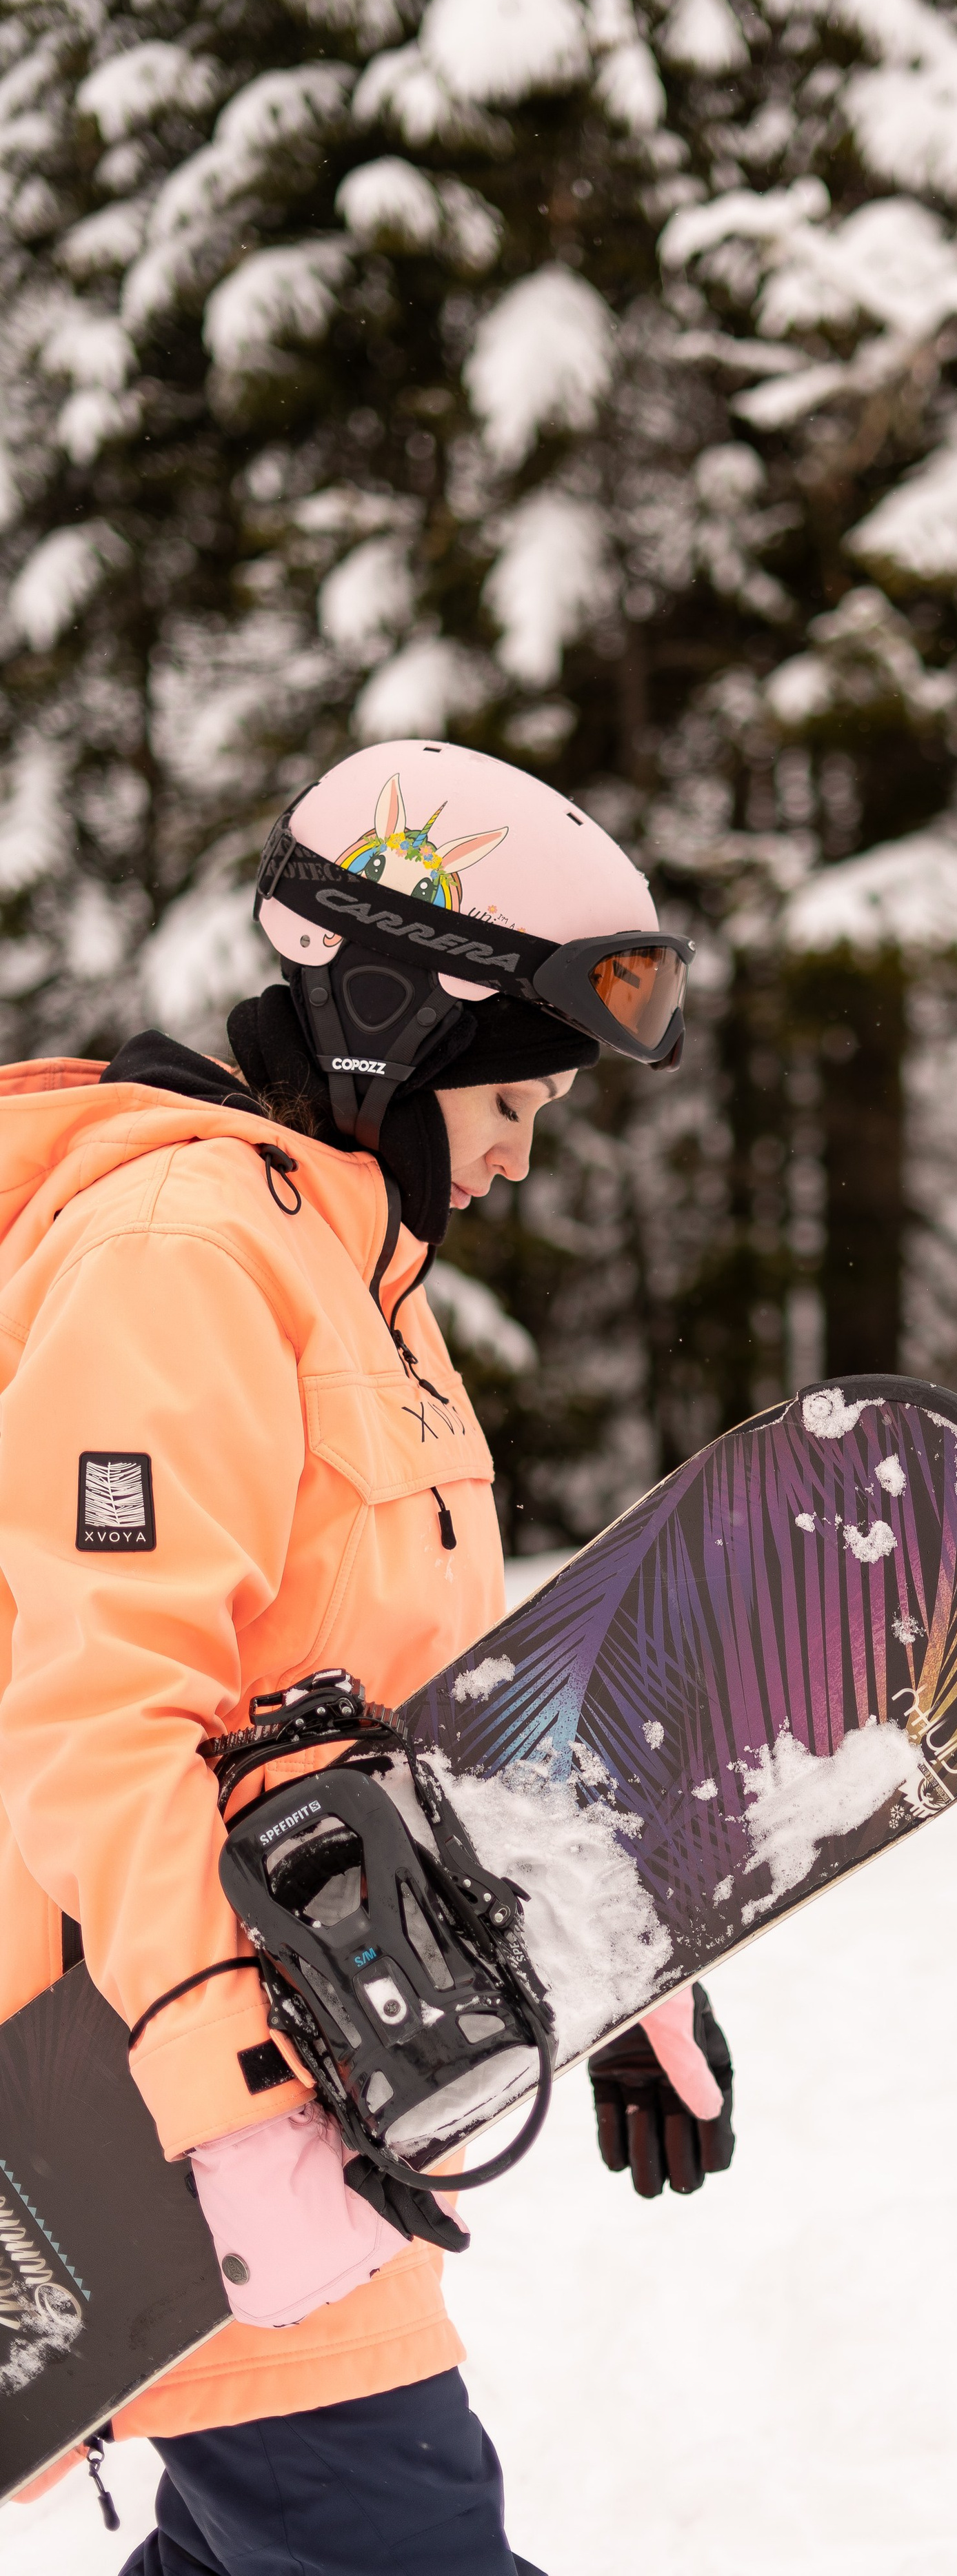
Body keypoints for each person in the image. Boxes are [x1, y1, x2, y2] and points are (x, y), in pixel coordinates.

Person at [0, 742, 733, 2576]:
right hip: (165, 2103)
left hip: (335, 2070)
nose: (519, 1152)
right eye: (514, 1098)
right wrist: (239, 2108)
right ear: (401, 1027)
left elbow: (412, 1723)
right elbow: (100, 1716)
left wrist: (608, 1967)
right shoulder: (180, 1256)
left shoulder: (355, 1287)